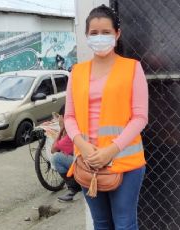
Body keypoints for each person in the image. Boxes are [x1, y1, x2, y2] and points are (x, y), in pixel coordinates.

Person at [64, 5, 148, 229]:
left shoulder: (132, 68)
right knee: (101, 223)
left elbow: (140, 117)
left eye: (106, 32)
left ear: (117, 34)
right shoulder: (77, 72)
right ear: (86, 36)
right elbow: (69, 117)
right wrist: (83, 146)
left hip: (124, 162)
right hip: (88, 161)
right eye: (94, 33)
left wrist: (111, 150)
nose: (99, 38)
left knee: (124, 223)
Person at [50, 111, 81, 202]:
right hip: (83, 159)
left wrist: (61, 129)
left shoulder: (70, 135)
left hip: (82, 162)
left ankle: (74, 188)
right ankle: (77, 186)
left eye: (60, 117)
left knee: (56, 158)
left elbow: (53, 149)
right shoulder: (75, 128)